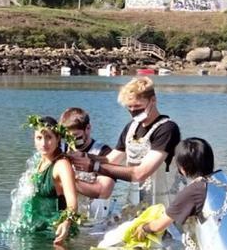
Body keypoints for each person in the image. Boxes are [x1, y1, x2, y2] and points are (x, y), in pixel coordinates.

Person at [131, 138, 227, 250]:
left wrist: (143, 228)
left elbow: (159, 225)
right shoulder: (225, 180)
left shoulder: (193, 191)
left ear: (183, 168)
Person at [70, 77, 181, 216]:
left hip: (165, 204)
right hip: (139, 203)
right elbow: (111, 160)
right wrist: (85, 157)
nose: (133, 111)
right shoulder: (131, 127)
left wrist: (94, 166)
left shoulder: (167, 129)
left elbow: (141, 173)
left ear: (153, 100)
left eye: (138, 107)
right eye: (130, 107)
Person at [20, 115, 79, 245]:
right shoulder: (39, 162)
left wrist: (66, 223)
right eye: (39, 138)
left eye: (49, 138)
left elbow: (72, 203)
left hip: (55, 231)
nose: (44, 143)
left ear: (58, 139)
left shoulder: (62, 165)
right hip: (36, 228)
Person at [59, 107, 116, 224]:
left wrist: (66, 180)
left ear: (88, 128)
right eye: (67, 138)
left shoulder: (104, 152)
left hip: (95, 219)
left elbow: (103, 191)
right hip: (66, 214)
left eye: (76, 137)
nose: (72, 142)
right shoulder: (60, 150)